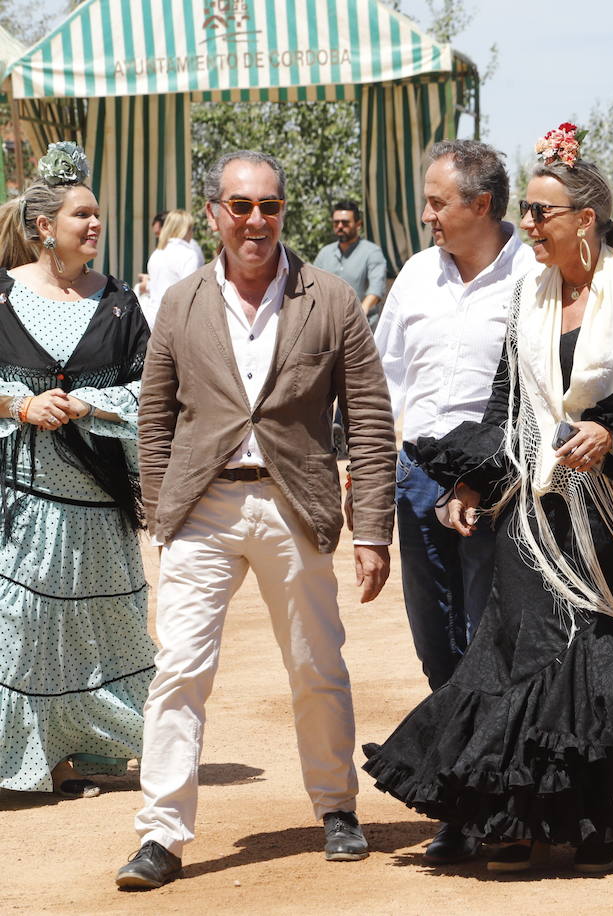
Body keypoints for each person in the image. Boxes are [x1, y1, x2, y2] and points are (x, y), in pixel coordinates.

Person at [363, 124, 613, 876]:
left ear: (583, 219)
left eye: (539, 212)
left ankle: (595, 822)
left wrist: (612, 437)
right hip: (534, 503)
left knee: (594, 654)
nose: (525, 224)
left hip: (611, 513)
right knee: (523, 651)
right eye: (523, 210)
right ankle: (515, 820)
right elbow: (507, 403)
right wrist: (471, 479)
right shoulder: (529, 291)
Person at [116, 150, 397, 890]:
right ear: (213, 214)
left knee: (315, 666)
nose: (256, 221)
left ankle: (336, 808)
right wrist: (156, 509)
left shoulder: (329, 298)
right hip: (201, 505)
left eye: (268, 206)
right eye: (240, 206)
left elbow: (369, 419)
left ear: (282, 213)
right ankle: (162, 834)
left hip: (293, 503)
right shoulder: (179, 302)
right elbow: (154, 415)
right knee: (178, 669)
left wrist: (371, 527)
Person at [0, 142, 154, 801]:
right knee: (19, 626)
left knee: (95, 632)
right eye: (81, 216)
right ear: (44, 228)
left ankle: (88, 753)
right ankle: (18, 757)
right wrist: (20, 403)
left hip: (98, 502)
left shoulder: (121, 304)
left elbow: (155, 390)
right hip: (24, 502)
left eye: (98, 215)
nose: (95, 225)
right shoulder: (2, 298)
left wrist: (94, 403)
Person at [374, 141, 535, 699]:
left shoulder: (535, 277)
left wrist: (490, 472)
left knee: (490, 625)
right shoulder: (417, 274)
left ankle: (491, 755)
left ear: (483, 204)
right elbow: (386, 376)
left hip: (499, 479)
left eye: (438, 203)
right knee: (431, 628)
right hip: (416, 475)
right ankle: (450, 746)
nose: (426, 216)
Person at [314, 199, 388, 328]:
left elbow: (376, 290)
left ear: (358, 224)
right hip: (329, 328)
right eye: (336, 223)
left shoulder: (372, 252)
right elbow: (313, 288)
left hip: (363, 330)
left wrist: (361, 312)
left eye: (345, 223)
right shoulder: (325, 253)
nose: (340, 226)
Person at [142, 208, 204, 327]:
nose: (192, 233)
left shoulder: (157, 253)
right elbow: (190, 293)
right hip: (175, 320)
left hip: (152, 317)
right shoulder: (189, 254)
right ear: (185, 229)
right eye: (192, 228)